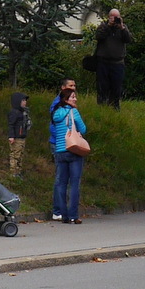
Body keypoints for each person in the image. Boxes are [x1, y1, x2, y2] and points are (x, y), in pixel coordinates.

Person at [51, 87, 88, 223]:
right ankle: (73, 215)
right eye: (73, 97)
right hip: (73, 150)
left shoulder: (56, 113)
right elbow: (83, 129)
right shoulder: (73, 112)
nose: (75, 99)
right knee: (74, 184)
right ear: (66, 99)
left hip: (60, 151)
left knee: (61, 183)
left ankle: (63, 215)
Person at [49, 78, 76, 221]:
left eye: (74, 86)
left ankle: (63, 209)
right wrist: (65, 138)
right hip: (61, 145)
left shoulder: (69, 103)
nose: (73, 88)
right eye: (70, 86)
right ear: (63, 87)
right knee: (61, 178)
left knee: (65, 179)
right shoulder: (58, 104)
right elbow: (53, 125)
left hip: (65, 144)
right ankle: (58, 209)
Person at [95, 9, 132, 108]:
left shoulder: (122, 28)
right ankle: (101, 107)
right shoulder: (103, 26)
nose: (115, 19)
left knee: (116, 88)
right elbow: (98, 36)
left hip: (117, 63)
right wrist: (108, 26)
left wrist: (122, 27)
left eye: (117, 17)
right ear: (109, 17)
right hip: (103, 62)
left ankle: (114, 107)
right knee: (102, 87)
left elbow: (128, 39)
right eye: (113, 17)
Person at [7, 92, 32, 177]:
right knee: (15, 155)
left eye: (25, 100)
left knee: (20, 155)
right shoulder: (14, 112)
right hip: (16, 138)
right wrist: (11, 136)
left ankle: (18, 171)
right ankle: (13, 172)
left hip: (22, 137)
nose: (25, 102)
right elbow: (11, 125)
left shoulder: (24, 113)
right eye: (23, 100)